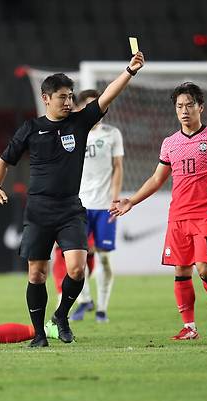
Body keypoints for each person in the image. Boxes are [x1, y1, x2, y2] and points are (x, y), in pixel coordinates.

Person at [0, 52, 145, 347]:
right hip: (37, 210)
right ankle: (38, 334)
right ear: (45, 97)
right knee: (37, 273)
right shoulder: (30, 128)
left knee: (78, 267)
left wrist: (130, 71)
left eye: (70, 96)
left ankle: (61, 316)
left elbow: (106, 97)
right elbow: (4, 160)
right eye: (62, 96)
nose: (68, 101)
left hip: (70, 208)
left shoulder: (79, 123)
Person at [110, 82, 207, 340]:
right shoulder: (169, 143)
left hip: (206, 214)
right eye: (179, 106)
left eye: (189, 105)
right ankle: (190, 327)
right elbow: (156, 179)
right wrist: (132, 201)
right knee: (181, 270)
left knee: (205, 270)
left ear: (201, 107)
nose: (184, 111)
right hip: (178, 216)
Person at [69, 89, 124, 323]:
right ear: (80, 109)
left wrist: (115, 198)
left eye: (98, 106)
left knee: (103, 259)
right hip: (78, 206)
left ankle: (102, 308)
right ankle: (85, 300)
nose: (96, 111)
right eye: (90, 106)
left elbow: (118, 167)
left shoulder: (112, 134)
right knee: (75, 259)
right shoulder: (71, 133)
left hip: (104, 206)